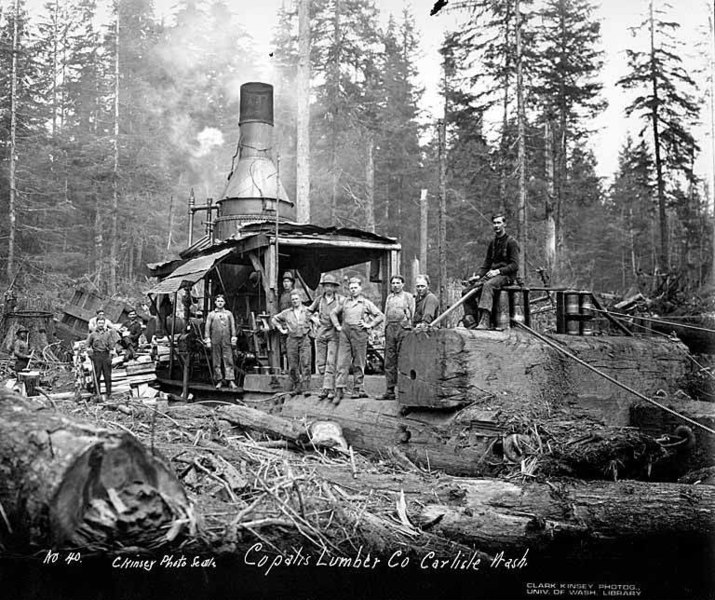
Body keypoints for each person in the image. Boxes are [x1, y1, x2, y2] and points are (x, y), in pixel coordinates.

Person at [330, 277, 384, 404]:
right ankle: (339, 389)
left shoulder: (365, 303)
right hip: (345, 334)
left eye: (355, 288)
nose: (353, 290)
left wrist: (369, 325)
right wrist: (337, 326)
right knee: (342, 361)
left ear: (360, 288)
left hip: (360, 334)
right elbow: (333, 313)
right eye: (351, 288)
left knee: (359, 362)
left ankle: (357, 388)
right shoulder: (344, 301)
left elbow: (380, 316)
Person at [462, 213, 520, 330]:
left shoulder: (511, 242)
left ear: (504, 224)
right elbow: (486, 264)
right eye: (494, 223)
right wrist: (478, 276)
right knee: (467, 291)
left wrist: (498, 271)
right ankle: (472, 319)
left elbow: (514, 265)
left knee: (488, 286)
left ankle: (485, 320)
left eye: (499, 223)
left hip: (506, 277)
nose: (496, 226)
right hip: (492, 275)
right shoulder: (493, 243)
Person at [307, 273, 344, 401]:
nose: (328, 288)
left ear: (335, 288)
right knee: (321, 362)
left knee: (331, 361)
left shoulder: (340, 300)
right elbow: (308, 311)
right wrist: (314, 320)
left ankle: (331, 389)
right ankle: (325, 387)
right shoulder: (319, 300)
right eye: (326, 286)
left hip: (334, 333)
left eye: (331, 286)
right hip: (321, 332)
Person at [272, 290, 313, 397]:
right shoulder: (287, 312)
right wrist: (281, 329)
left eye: (296, 299)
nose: (295, 301)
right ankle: (297, 386)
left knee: (306, 363)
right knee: (293, 366)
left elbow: (316, 320)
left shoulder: (307, 311)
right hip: (292, 339)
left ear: (301, 299)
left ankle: (306, 387)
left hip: (304, 339)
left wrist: (314, 328)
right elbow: (274, 319)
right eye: (293, 299)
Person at [381, 275, 415, 401]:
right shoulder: (390, 297)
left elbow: (412, 313)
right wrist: (384, 331)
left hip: (403, 328)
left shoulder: (408, 297)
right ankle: (390, 390)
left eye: (398, 283)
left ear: (403, 284)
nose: (395, 285)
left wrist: (409, 327)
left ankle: (404, 391)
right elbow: (385, 314)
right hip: (390, 328)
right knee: (389, 360)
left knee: (403, 359)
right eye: (393, 283)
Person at [204, 295, 238, 390]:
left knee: (229, 360)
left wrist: (234, 338)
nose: (220, 302)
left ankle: (231, 380)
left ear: (224, 303)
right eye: (218, 301)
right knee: (216, 361)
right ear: (215, 302)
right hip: (215, 340)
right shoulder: (211, 314)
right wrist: (208, 340)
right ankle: (219, 380)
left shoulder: (229, 314)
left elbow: (233, 327)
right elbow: (207, 328)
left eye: (222, 301)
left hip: (226, 340)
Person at [86, 316, 121, 399]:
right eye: (99, 323)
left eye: (102, 323)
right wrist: (90, 352)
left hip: (106, 355)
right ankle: (96, 393)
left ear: (104, 324)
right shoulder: (92, 334)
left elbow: (111, 346)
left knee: (107, 375)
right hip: (97, 356)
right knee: (97, 375)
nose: (101, 325)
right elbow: (87, 345)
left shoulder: (108, 334)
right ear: (96, 324)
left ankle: (109, 393)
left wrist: (111, 355)